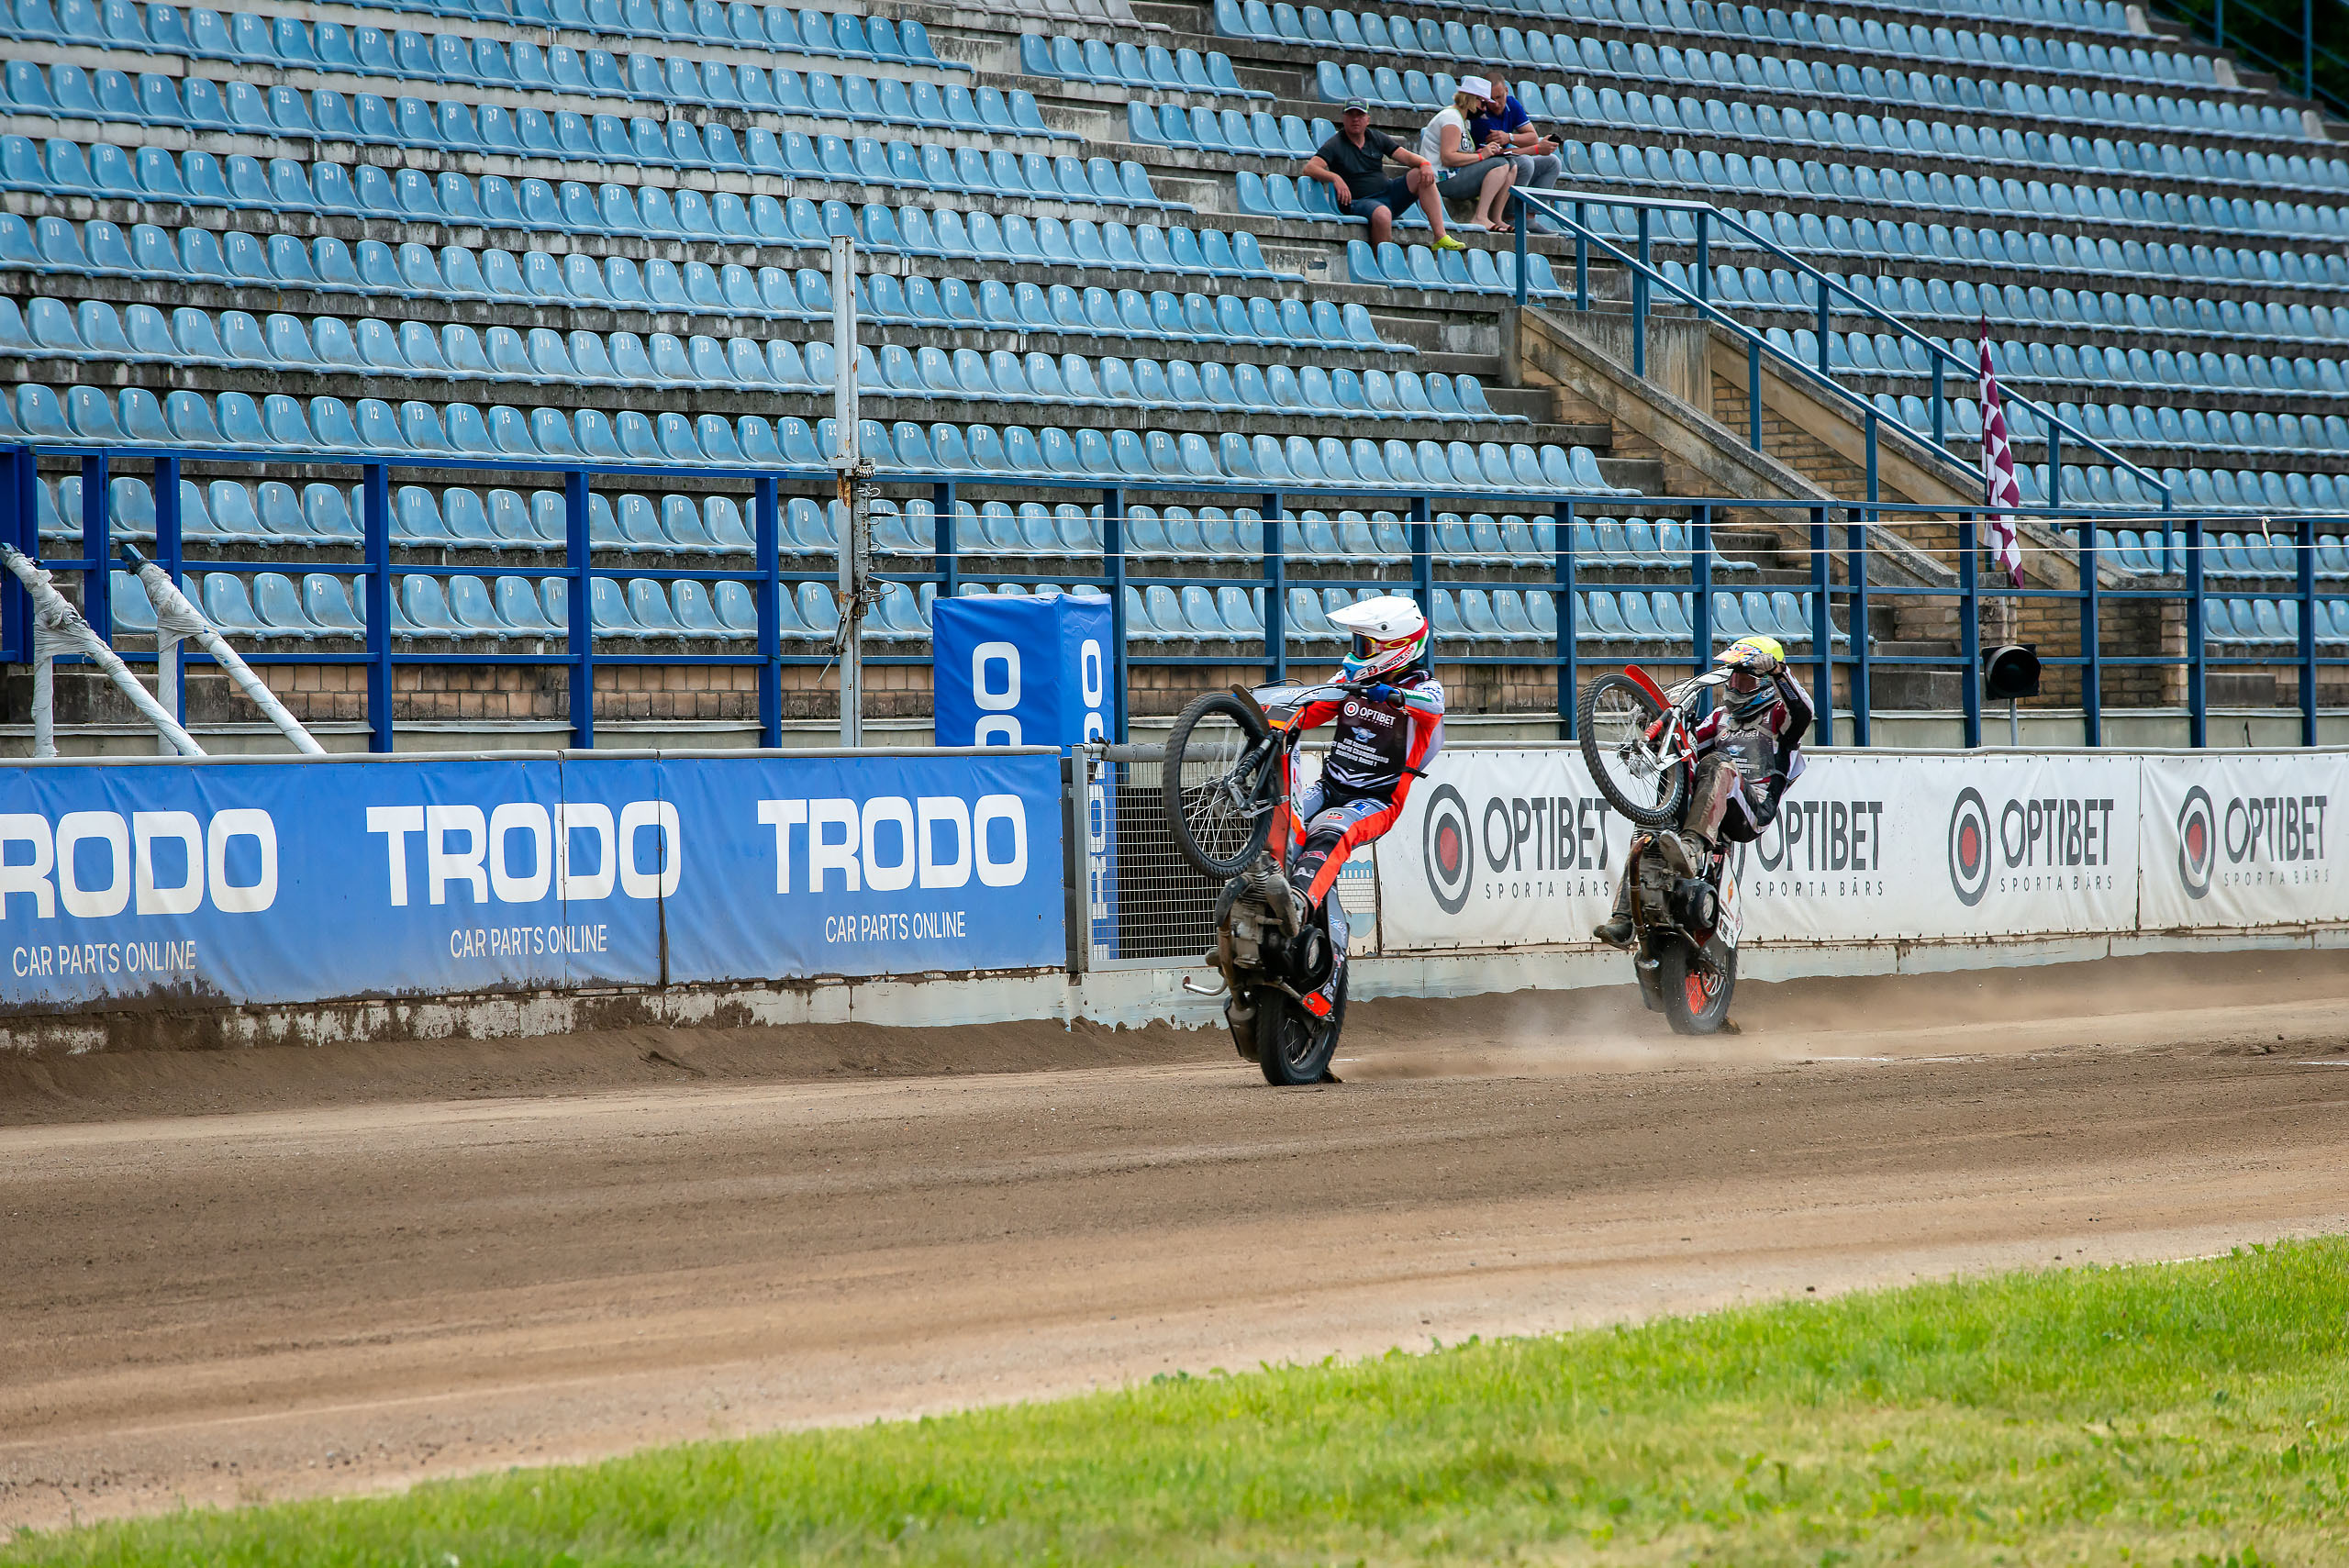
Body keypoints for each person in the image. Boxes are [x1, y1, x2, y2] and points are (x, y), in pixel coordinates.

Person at [1594, 636, 1812, 949]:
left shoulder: (1779, 718)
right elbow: (1688, 746)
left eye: (1746, 680)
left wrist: (1779, 672)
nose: (1736, 686)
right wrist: (1656, 733)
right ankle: (1624, 917)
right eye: (1733, 678)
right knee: (1661, 802)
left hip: (1752, 810)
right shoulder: (1720, 719)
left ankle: (1691, 846)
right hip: (1711, 804)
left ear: (1764, 683)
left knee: (1719, 763)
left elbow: (1803, 711)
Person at [1278, 595, 1447, 917]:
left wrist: (1395, 696)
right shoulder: (1350, 680)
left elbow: (1432, 707)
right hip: (1329, 787)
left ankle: (1297, 905)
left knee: (1331, 829)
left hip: (1378, 801)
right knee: (1283, 825)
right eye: (1357, 643)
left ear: (1397, 647)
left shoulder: (1425, 687)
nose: (1358, 652)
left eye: (1365, 646)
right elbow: (1309, 712)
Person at [1300, 101, 1464, 250]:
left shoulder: (1375, 137)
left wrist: (1425, 164)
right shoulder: (1336, 143)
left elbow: (1407, 157)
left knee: (1420, 174)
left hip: (1387, 193)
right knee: (1382, 214)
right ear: (1344, 118)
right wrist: (1335, 178)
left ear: (1367, 119)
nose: (1355, 119)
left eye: (1360, 115)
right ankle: (1384, 261)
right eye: (1351, 115)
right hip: (1358, 201)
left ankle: (1440, 235)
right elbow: (1310, 168)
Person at [1419, 75, 1516, 233]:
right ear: (1471, 99)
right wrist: (1481, 156)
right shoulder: (1451, 118)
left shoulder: (1462, 119)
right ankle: (1480, 217)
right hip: (1441, 180)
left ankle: (1496, 217)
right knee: (1500, 165)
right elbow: (1448, 158)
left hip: (1453, 175)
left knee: (1511, 165)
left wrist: (1481, 153)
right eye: (1483, 103)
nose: (1485, 109)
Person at [1471, 75, 1563, 234]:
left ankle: (1529, 218)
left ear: (1506, 91)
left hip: (1505, 161)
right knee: (1524, 163)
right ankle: (1511, 216)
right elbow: (1497, 154)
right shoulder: (1482, 114)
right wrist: (1536, 149)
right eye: (1491, 99)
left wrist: (1510, 137)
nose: (1496, 103)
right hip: (1489, 166)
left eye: (1499, 97)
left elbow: (1532, 137)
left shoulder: (1511, 104)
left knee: (1552, 162)